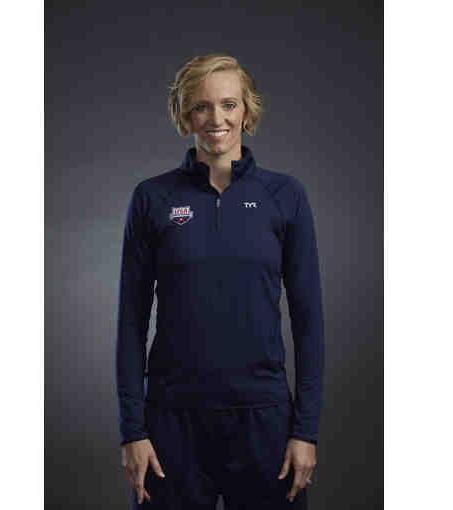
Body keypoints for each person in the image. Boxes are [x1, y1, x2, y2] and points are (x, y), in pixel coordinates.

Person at [116, 53, 325, 509]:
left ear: (246, 111)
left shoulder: (284, 196)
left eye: (229, 105)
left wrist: (305, 431)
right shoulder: (152, 198)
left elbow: (309, 322)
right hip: (171, 423)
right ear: (184, 114)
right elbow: (130, 323)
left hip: (264, 421)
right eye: (202, 106)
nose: (217, 119)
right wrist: (133, 430)